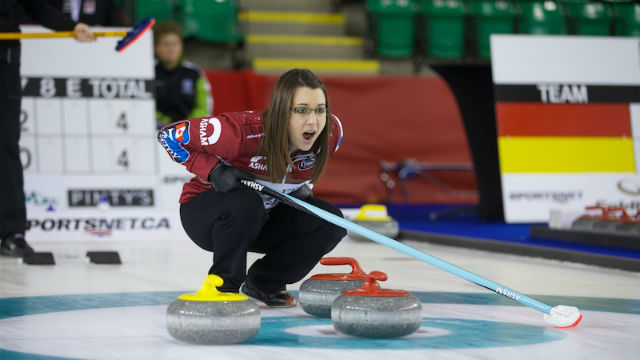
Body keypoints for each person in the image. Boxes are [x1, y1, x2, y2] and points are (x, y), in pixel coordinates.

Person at [157, 68, 347, 307]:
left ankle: (265, 282)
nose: (313, 121)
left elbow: (306, 170)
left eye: (320, 110)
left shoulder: (331, 134)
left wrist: (303, 186)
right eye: (301, 110)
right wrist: (213, 169)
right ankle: (223, 286)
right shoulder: (238, 132)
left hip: (262, 218)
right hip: (208, 215)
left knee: (330, 220)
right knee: (247, 202)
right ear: (281, 112)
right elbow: (169, 135)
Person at [0, 0, 95, 257]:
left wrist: (71, 26)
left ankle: (12, 232)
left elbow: (37, 6)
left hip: (4, 58)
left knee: (5, 145)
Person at [154, 21, 212, 128]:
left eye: (175, 44)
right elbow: (144, 107)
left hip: (189, 132)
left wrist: (187, 125)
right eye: (166, 44)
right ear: (156, 48)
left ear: (181, 46)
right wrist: (167, 124)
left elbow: (204, 107)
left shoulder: (195, 73)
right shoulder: (150, 73)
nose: (171, 49)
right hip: (157, 130)